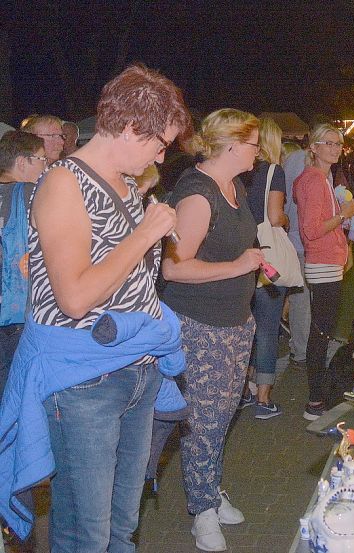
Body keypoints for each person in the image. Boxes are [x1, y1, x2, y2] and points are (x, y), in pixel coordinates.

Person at [0, 64, 189, 553]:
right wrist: (144, 235)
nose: (161, 156)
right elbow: (76, 297)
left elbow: (130, 275)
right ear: (129, 128)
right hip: (86, 383)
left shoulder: (127, 185)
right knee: (90, 532)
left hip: (135, 370)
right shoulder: (64, 183)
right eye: (158, 143)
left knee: (117, 526)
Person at [159, 108, 263, 551]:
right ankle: (200, 511)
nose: (259, 151)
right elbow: (173, 268)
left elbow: (236, 246)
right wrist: (239, 265)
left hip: (236, 321)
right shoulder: (198, 195)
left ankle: (209, 490)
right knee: (203, 421)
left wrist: (254, 259)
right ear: (233, 145)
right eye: (255, 142)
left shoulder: (234, 185)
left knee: (222, 416)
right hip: (201, 327)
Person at [293, 124, 354, 421]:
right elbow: (311, 230)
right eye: (328, 143)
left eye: (338, 144)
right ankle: (315, 402)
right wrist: (342, 215)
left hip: (327, 262)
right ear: (314, 147)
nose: (335, 148)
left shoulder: (321, 178)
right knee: (320, 333)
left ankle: (316, 398)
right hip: (321, 263)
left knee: (322, 330)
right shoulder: (315, 181)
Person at [240, 117, 289, 419]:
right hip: (268, 257)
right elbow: (274, 216)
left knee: (246, 327)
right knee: (268, 328)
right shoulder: (275, 171)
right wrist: (287, 219)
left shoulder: (241, 174)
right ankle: (264, 397)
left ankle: (242, 389)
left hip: (242, 255)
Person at [0, 132, 45, 396]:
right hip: (20, 316)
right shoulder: (30, 193)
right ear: (22, 162)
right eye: (41, 159)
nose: (45, 166)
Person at [282, 142, 311, 369]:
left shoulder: (293, 161)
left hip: (298, 239)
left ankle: (302, 346)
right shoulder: (301, 162)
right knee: (302, 298)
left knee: (302, 298)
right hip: (301, 240)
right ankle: (301, 349)